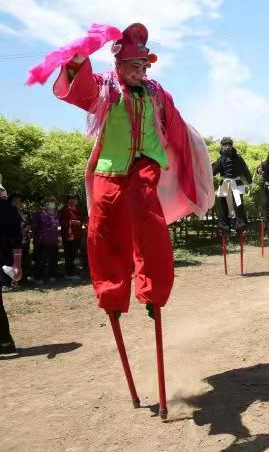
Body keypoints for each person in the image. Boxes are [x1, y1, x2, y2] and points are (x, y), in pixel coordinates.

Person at [43, 22, 214, 418]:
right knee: (102, 229)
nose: (141, 71)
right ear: (119, 64)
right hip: (108, 168)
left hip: (144, 166)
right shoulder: (105, 88)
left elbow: (174, 127)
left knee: (146, 217)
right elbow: (77, 88)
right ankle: (112, 295)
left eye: (144, 65)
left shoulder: (157, 94)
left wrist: (186, 152)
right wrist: (79, 58)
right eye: (134, 65)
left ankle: (152, 293)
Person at [212, 137, 252, 236]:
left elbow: (245, 170)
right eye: (225, 145)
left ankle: (240, 227)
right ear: (222, 147)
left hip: (237, 185)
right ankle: (224, 227)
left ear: (232, 146)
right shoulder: (220, 160)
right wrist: (210, 167)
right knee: (223, 206)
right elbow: (213, 172)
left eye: (229, 145)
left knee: (239, 206)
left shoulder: (239, 158)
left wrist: (250, 181)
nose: (227, 147)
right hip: (224, 185)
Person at [0, 186, 22, 354]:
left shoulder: (7, 210)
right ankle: (5, 343)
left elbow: (16, 239)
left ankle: (5, 343)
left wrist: (17, 263)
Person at [32, 197, 60, 284]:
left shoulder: (56, 213)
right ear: (44, 203)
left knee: (53, 260)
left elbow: (58, 225)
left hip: (53, 240)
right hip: (41, 241)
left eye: (52, 201)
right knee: (40, 260)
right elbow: (34, 226)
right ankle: (38, 277)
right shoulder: (39, 213)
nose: (50, 203)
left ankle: (52, 275)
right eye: (48, 201)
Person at [59, 193, 86, 280]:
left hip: (77, 234)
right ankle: (69, 273)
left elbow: (82, 219)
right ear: (68, 200)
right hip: (67, 235)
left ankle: (72, 270)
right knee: (68, 253)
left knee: (74, 253)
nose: (73, 200)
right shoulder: (64, 209)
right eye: (71, 199)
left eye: (74, 199)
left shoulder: (78, 209)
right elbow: (61, 221)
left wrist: (81, 222)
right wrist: (72, 222)